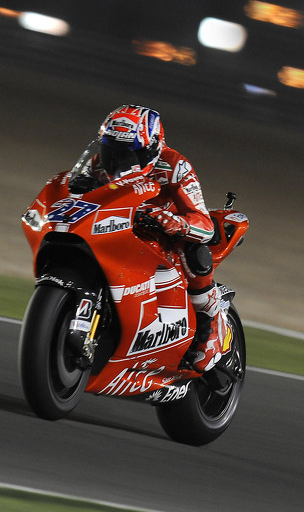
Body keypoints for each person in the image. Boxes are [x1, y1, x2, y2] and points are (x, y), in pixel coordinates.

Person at [88, 104, 227, 373]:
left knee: (194, 251)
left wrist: (175, 223)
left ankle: (211, 323)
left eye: (129, 154)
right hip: (119, 230)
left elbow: (204, 224)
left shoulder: (176, 166)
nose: (118, 162)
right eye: (112, 151)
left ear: (152, 149)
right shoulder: (97, 165)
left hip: (165, 239)